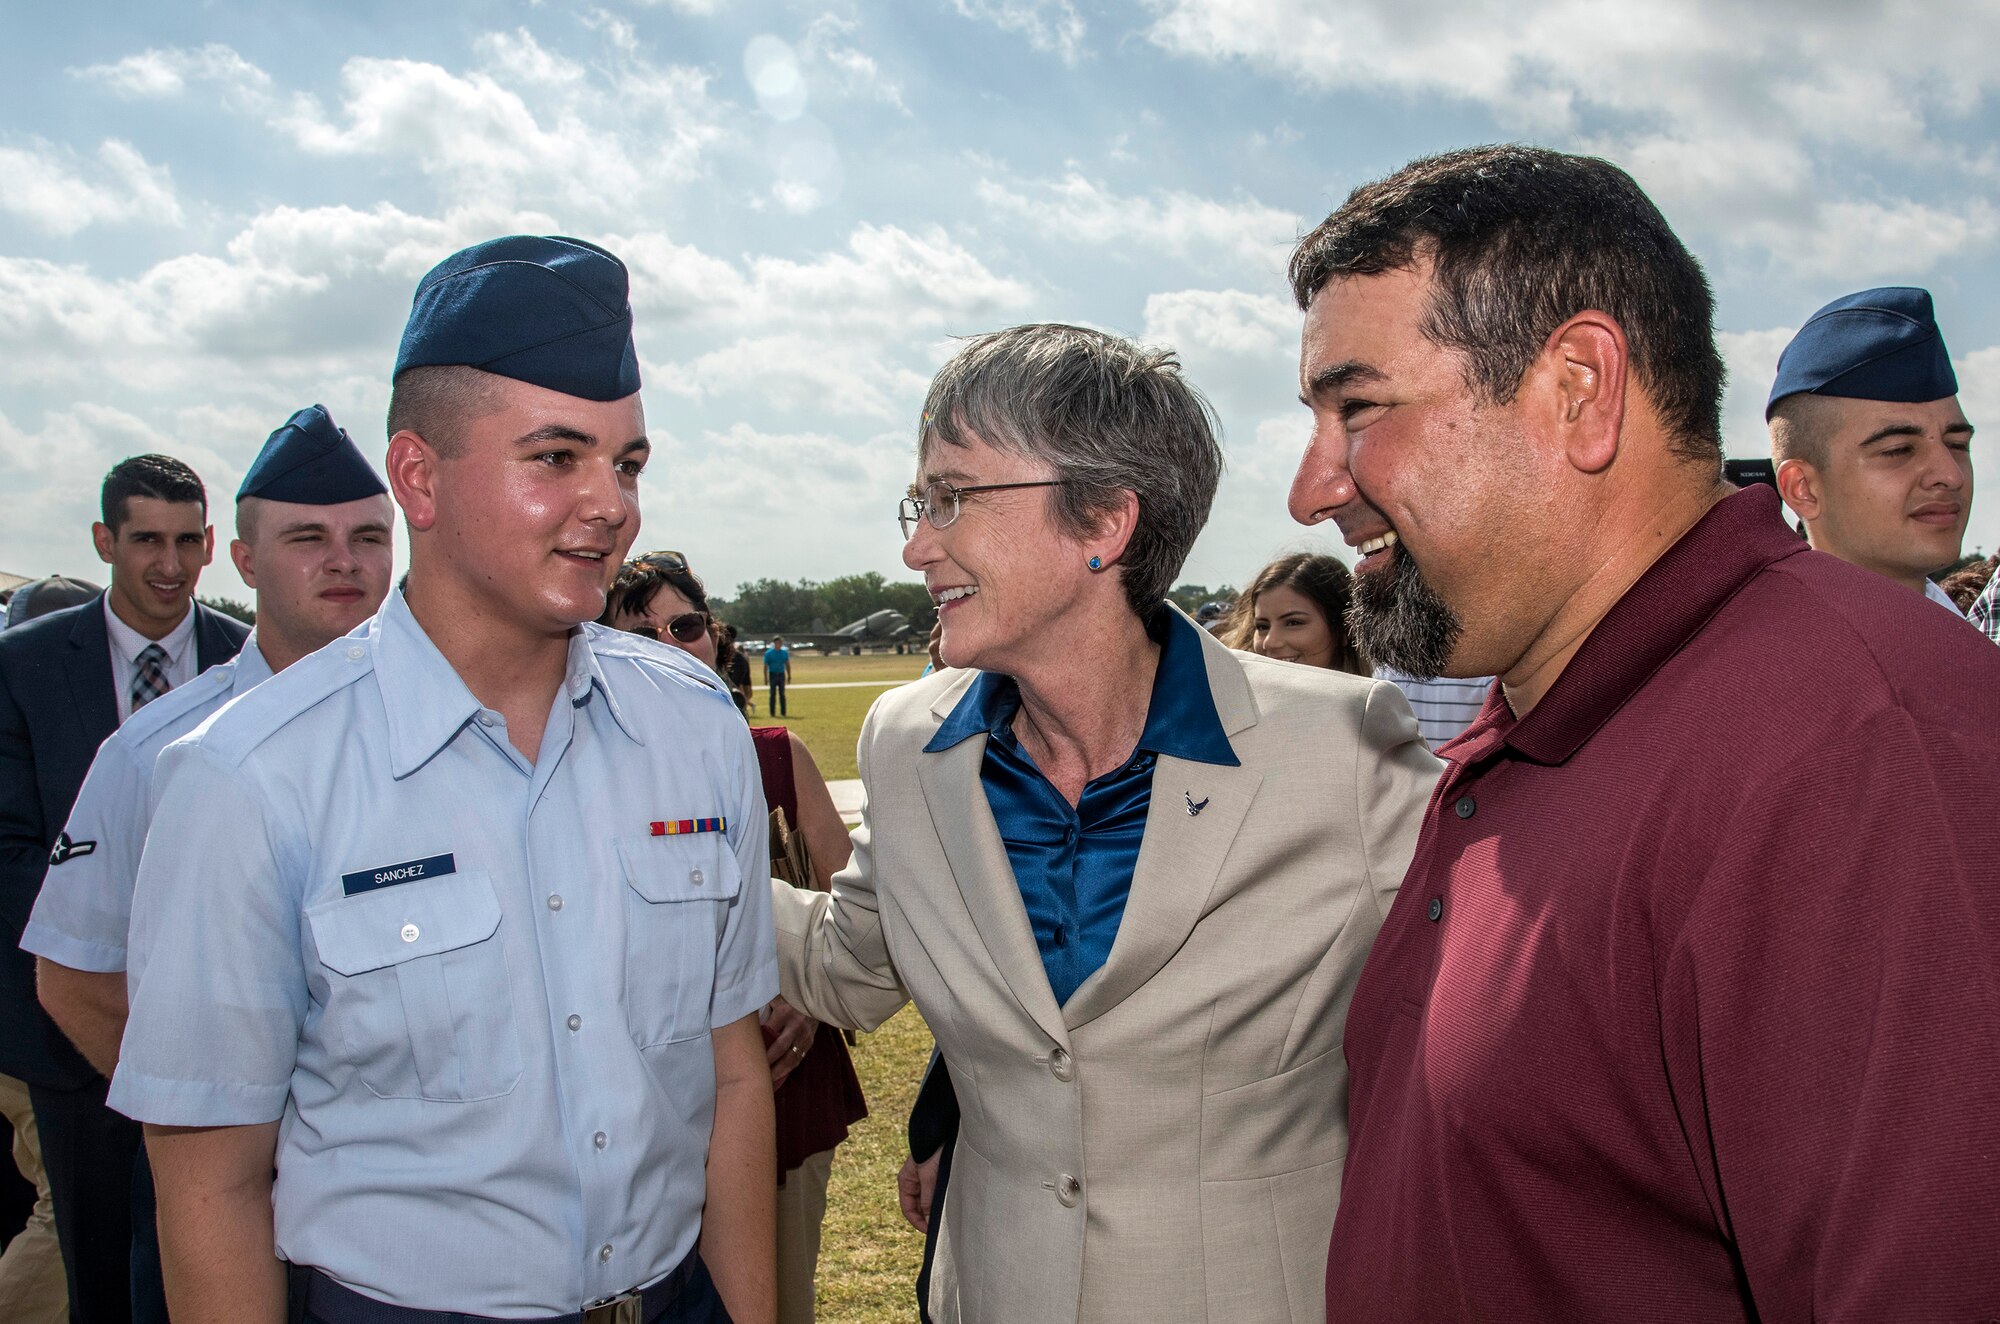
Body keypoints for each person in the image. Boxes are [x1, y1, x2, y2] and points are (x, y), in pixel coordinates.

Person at [1288, 144, 2000, 1320]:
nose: (1314, 487)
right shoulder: (1552, 709)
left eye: (1356, 407)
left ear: (1577, 386)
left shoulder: (1859, 748)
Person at [108, 235, 777, 1324]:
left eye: (630, 461)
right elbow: (210, 1178)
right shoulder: (251, 774)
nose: (611, 504)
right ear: (418, 476)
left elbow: (732, 1072)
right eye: (556, 457)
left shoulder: (693, 726)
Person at [771, 323, 1438, 1324]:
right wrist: (664, 866)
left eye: (952, 497)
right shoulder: (908, 745)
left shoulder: (1345, 751)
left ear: (1103, 523)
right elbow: (849, 966)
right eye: (922, 502)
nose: (916, 544)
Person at [24, 405, 393, 1324]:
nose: (343, 562)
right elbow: (72, 975)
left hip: (402, 1224)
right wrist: (215, 1128)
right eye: (308, 537)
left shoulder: (454, 731)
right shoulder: (157, 752)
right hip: (225, 1213)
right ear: (243, 560)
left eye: (369, 537)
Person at [0, 454, 249, 1324]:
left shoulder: (251, 660)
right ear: (105, 541)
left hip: (225, 1034)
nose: (169, 565)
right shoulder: (22, 667)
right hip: (78, 1032)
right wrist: (121, 948)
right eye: (147, 540)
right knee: (97, 1267)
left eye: (188, 542)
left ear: (215, 544)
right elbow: (10, 849)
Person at [603, 552, 866, 1324]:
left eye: (684, 626)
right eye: (641, 632)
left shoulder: (777, 757)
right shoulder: (578, 778)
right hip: (645, 1099)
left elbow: (856, 912)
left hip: (785, 1079)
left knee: (777, 1298)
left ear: (714, 636)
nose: (670, 643)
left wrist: (812, 1003)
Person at [1766, 287, 1975, 617]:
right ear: (1802, 487)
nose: (1950, 475)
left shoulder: (1974, 647)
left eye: (1957, 445)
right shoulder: (1768, 660)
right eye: (1898, 450)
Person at [1234, 553, 1368, 675]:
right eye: (1262, 626)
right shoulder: (1229, 698)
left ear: (1345, 629)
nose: (1270, 643)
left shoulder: (1380, 699)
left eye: (1293, 623)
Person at [764, 635, 791, 716]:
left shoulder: (784, 653)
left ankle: (783, 712)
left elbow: (787, 664)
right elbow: (765, 666)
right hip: (772, 674)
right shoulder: (769, 653)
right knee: (772, 694)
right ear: (774, 643)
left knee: (782, 694)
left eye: (780, 642)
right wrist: (765, 678)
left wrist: (789, 675)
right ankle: (772, 713)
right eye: (777, 642)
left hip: (781, 674)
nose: (779, 644)